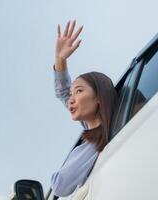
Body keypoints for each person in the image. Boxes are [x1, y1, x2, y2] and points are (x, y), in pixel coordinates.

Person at [50, 20, 118, 197]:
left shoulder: (95, 143)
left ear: (99, 99)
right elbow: (63, 92)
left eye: (79, 91)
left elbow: (59, 186)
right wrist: (60, 59)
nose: (71, 99)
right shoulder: (96, 129)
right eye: (72, 93)